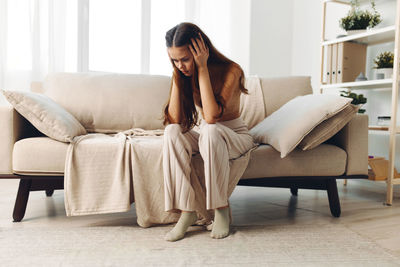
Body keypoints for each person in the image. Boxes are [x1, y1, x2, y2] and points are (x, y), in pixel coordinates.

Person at [162, 22, 255, 241]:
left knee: (211, 130)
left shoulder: (232, 70)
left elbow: (212, 116)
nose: (181, 65)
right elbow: (175, 119)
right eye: (174, 60)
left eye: (185, 59)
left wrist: (202, 68)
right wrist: (176, 74)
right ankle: (187, 211)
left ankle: (220, 209)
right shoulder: (182, 73)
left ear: (200, 50)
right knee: (172, 132)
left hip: (235, 136)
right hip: (208, 136)